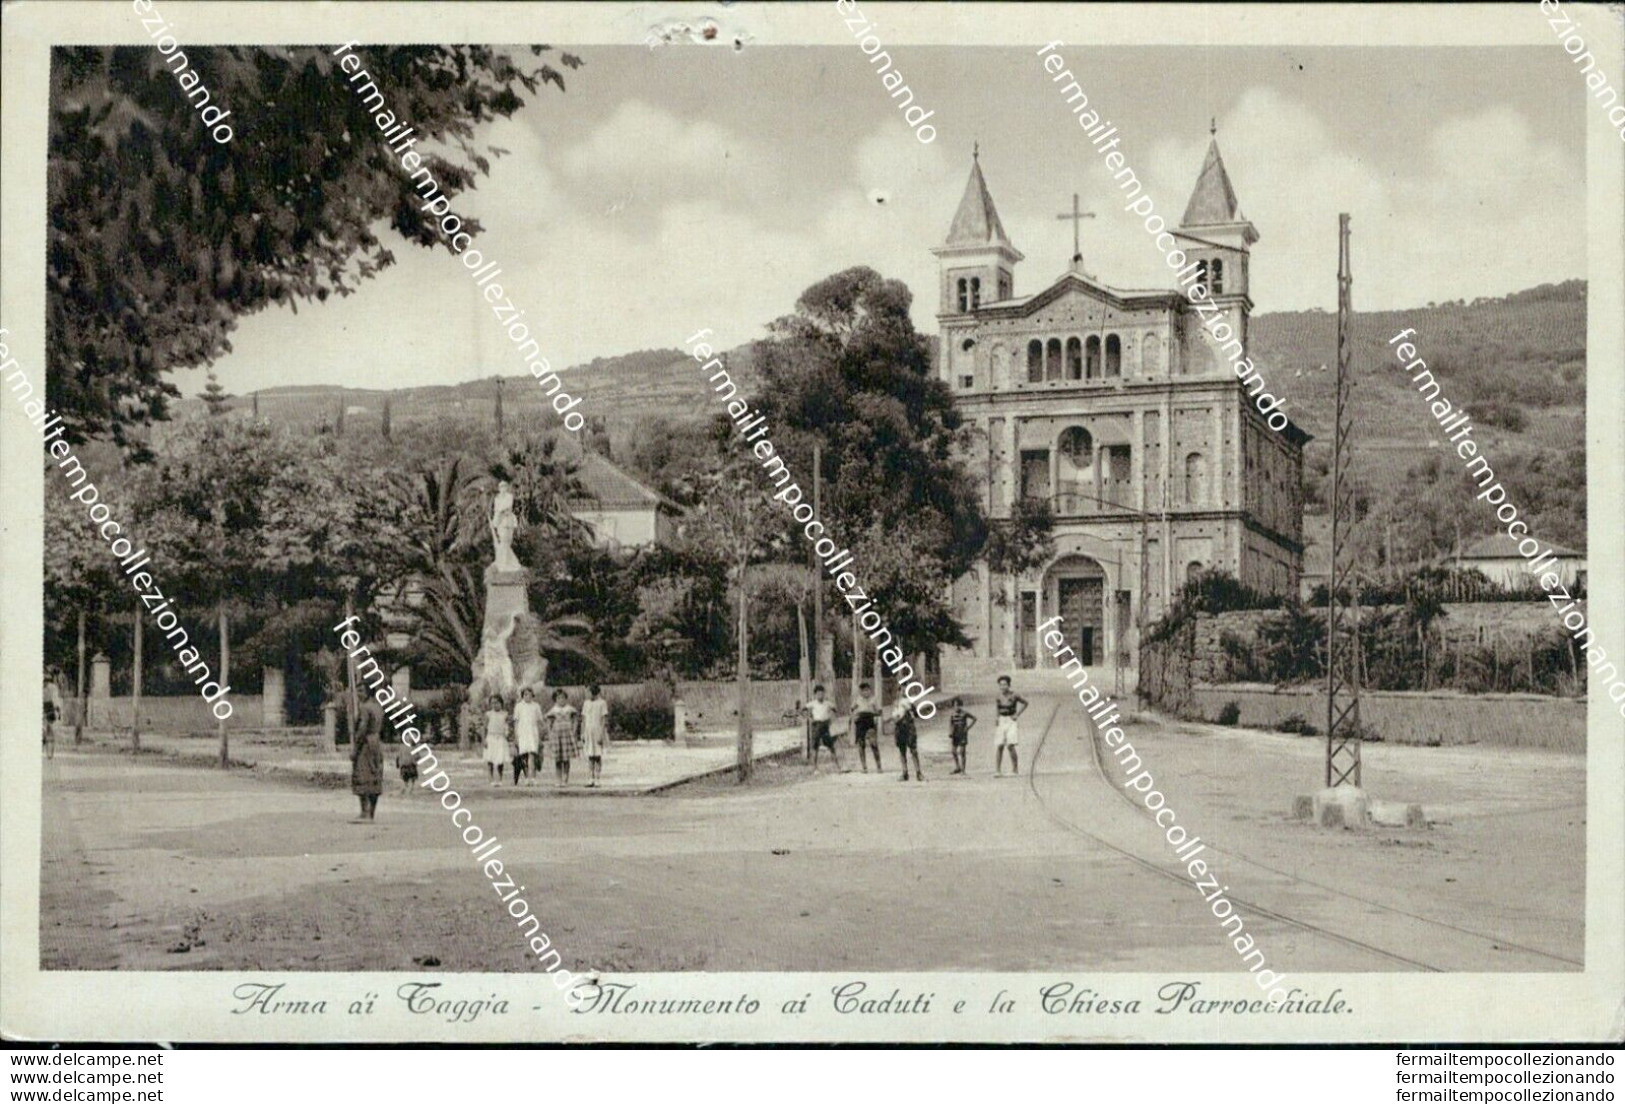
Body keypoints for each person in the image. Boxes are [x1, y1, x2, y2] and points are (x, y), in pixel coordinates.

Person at [351, 697, 385, 821]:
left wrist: (355, 749)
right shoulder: (378, 707)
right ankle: (371, 813)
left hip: (366, 744)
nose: (359, 693)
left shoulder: (364, 708)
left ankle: (365, 812)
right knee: (375, 774)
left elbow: (362, 729)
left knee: (362, 774)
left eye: (361, 690)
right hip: (376, 743)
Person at [544, 688, 580, 787]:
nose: (561, 700)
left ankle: (565, 779)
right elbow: (549, 723)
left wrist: (574, 730)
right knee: (558, 759)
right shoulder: (553, 710)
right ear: (555, 700)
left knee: (566, 759)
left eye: (563, 698)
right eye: (559, 698)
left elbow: (576, 719)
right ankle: (558, 779)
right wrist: (550, 733)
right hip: (557, 736)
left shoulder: (569, 709)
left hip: (567, 735)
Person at [994, 675, 1028, 776]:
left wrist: (1017, 714)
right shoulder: (998, 696)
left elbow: (1025, 703)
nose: (1002, 687)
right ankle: (998, 770)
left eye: (1004, 684)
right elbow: (997, 707)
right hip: (1001, 720)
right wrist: (996, 717)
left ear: (1009, 685)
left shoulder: (1014, 695)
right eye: (1000, 685)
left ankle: (1015, 769)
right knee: (999, 745)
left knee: (1010, 745)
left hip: (1011, 720)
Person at [805, 684, 841, 773]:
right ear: (815, 695)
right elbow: (802, 709)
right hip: (816, 725)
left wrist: (832, 717)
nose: (820, 695)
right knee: (815, 747)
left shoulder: (827, 703)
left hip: (825, 725)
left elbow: (835, 709)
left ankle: (837, 767)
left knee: (831, 746)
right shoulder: (812, 703)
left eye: (822, 693)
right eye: (818, 694)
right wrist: (809, 718)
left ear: (824, 694)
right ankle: (814, 768)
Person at [513, 687, 543, 787]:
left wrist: (540, 736)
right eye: (525, 694)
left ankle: (533, 777)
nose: (527, 696)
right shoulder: (519, 706)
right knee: (524, 756)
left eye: (529, 694)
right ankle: (527, 777)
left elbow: (539, 722)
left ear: (532, 695)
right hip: (522, 733)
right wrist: (516, 736)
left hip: (533, 732)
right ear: (522, 696)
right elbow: (516, 722)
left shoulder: (536, 706)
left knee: (532, 755)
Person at [581, 684, 609, 788]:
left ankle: (597, 778)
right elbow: (583, 720)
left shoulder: (602, 703)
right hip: (588, 732)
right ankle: (590, 778)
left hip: (597, 731)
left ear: (594, 692)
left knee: (597, 756)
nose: (587, 694)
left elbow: (604, 720)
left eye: (588, 692)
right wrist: (582, 733)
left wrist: (601, 734)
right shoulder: (586, 703)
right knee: (590, 756)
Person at [850, 681, 882, 773]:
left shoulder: (874, 699)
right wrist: (855, 716)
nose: (865, 692)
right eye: (863, 690)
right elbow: (852, 709)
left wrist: (874, 714)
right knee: (861, 744)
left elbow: (880, 711)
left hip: (870, 721)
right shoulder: (857, 700)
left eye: (867, 690)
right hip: (860, 722)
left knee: (873, 744)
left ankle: (879, 766)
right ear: (860, 692)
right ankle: (864, 767)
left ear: (870, 690)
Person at [483, 695, 511, 786]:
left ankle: (499, 779)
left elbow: (507, 727)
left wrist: (508, 735)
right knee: (490, 759)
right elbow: (484, 728)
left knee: (500, 760)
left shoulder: (505, 714)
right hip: (491, 737)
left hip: (501, 738)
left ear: (501, 704)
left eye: (497, 703)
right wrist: (484, 739)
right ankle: (491, 779)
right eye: (492, 703)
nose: (494, 705)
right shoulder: (488, 714)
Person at [892, 701, 922, 782]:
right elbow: (894, 718)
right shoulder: (896, 703)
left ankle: (918, 772)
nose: (903, 691)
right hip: (900, 728)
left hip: (909, 728)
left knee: (913, 750)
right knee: (902, 750)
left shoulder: (910, 703)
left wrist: (910, 709)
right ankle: (905, 772)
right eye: (901, 689)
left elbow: (917, 715)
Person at [947, 697, 977, 775]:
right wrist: (950, 732)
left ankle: (963, 770)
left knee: (962, 752)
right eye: (955, 705)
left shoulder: (964, 713)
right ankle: (957, 767)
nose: (957, 707)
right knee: (953, 751)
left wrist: (968, 727)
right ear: (953, 706)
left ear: (961, 705)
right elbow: (951, 724)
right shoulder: (952, 714)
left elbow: (974, 718)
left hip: (962, 734)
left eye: (958, 705)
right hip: (955, 734)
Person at [42, 669, 61, 758]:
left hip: (49, 707)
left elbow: (55, 699)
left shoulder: (52, 688)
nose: (44, 683)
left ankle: (48, 741)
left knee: (50, 727)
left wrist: (57, 708)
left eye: (46, 680)